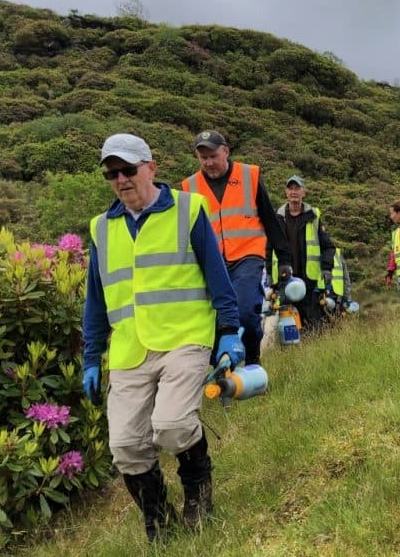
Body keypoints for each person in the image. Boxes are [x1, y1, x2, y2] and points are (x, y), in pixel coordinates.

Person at [81, 133, 244, 540]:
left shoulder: (188, 210)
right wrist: (90, 357)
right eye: (112, 173)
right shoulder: (102, 228)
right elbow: (95, 302)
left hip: (185, 337)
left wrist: (228, 331)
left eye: (128, 170)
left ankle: (198, 495)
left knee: (170, 424)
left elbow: (217, 276)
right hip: (130, 349)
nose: (120, 179)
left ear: (150, 167)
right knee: (125, 446)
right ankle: (159, 519)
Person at [181, 130, 292, 367]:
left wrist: (283, 258)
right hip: (211, 262)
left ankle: (253, 358)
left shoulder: (249, 175)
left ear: (226, 152)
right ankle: (221, 373)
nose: (209, 163)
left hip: (247, 256)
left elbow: (269, 219)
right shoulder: (189, 187)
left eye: (213, 156)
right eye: (203, 158)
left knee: (243, 312)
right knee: (214, 318)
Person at [266, 175, 336, 332]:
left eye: (297, 188)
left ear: (304, 192)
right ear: (285, 192)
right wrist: (270, 276)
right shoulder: (277, 217)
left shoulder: (314, 216)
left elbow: (328, 247)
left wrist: (326, 268)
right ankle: (291, 354)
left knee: (313, 323)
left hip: (309, 280)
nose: (293, 192)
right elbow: (269, 249)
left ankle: (313, 353)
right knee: (287, 324)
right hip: (284, 280)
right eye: (290, 188)